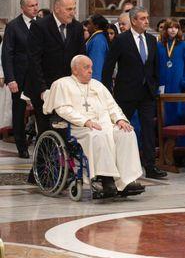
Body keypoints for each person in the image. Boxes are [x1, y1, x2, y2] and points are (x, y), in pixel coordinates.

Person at [42, 55, 145, 196]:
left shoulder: (97, 85)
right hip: (79, 127)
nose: (91, 71)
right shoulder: (62, 84)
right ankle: (106, 179)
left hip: (105, 124)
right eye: (86, 67)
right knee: (98, 136)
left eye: (91, 67)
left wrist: (120, 120)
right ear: (75, 70)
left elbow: (112, 106)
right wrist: (85, 121)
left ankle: (126, 181)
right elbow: (63, 109)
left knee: (126, 133)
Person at [102, 6, 166, 179]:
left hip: (147, 92)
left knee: (148, 130)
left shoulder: (152, 40)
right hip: (126, 92)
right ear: (133, 21)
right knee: (121, 128)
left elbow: (155, 66)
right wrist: (106, 91)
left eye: (147, 18)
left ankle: (150, 166)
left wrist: (156, 86)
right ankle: (115, 164)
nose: (147, 21)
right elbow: (108, 67)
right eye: (143, 18)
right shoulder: (121, 40)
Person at [25, 0, 85, 141]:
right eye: (69, 9)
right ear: (57, 8)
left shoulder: (77, 28)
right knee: (46, 131)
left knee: (65, 131)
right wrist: (42, 89)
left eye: (74, 9)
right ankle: (42, 164)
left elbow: (80, 58)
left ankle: (63, 163)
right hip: (46, 88)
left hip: (68, 89)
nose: (72, 13)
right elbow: (34, 60)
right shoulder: (40, 26)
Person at [1, 0, 39, 158]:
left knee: (41, 109)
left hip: (38, 76)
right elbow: (7, 54)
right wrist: (10, 79)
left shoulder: (41, 24)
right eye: (31, 6)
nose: (35, 8)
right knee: (19, 111)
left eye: (36, 5)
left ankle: (42, 141)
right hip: (19, 76)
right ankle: (21, 146)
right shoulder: (13, 26)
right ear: (23, 8)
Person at [157, 19, 185, 142]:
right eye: (170, 27)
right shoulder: (159, 45)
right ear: (165, 29)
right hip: (163, 86)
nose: (173, 30)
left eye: (176, 28)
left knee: (181, 114)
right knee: (165, 116)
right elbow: (154, 65)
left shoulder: (184, 45)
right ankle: (166, 146)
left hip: (178, 86)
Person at [86, 14, 110, 81]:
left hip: (94, 81)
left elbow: (96, 66)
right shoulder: (97, 38)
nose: (87, 26)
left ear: (96, 26)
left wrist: (94, 84)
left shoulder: (98, 40)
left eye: (89, 24)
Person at [0, 36, 12, 131]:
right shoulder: (4, 44)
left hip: (7, 77)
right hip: (4, 78)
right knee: (4, 107)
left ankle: (6, 132)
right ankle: (5, 133)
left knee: (6, 107)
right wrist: (1, 75)